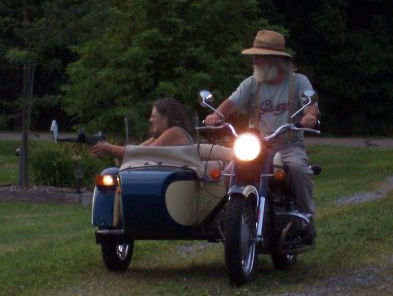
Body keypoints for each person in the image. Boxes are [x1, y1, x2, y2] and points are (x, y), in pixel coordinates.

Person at [204, 30, 319, 242]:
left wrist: (310, 116)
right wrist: (216, 115)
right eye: (254, 56)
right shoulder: (251, 84)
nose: (254, 61)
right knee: (228, 172)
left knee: (298, 169)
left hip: (288, 145)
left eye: (259, 56)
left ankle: (306, 218)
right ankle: (231, 218)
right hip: (257, 146)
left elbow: (310, 104)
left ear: (276, 60)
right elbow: (230, 103)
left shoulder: (298, 81)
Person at [90, 97, 194, 159]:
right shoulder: (160, 136)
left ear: (166, 117)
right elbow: (137, 150)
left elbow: (143, 153)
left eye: (153, 116)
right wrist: (106, 148)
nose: (150, 120)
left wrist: (110, 149)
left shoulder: (176, 132)